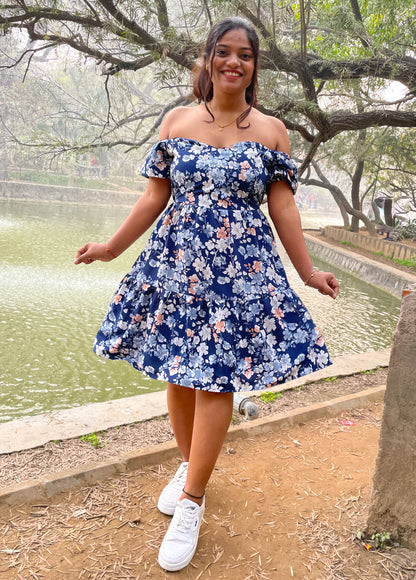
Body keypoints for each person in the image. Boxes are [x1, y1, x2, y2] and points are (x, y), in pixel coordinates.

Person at [75, 16, 339, 572]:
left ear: (254, 67)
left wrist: (309, 273)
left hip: (239, 273)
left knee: (215, 379)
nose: (233, 62)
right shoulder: (176, 121)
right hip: (177, 267)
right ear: (208, 58)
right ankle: (190, 465)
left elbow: (284, 209)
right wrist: (111, 247)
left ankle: (192, 500)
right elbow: (154, 198)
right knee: (177, 374)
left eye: (245, 55)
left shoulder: (271, 132)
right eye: (224, 52)